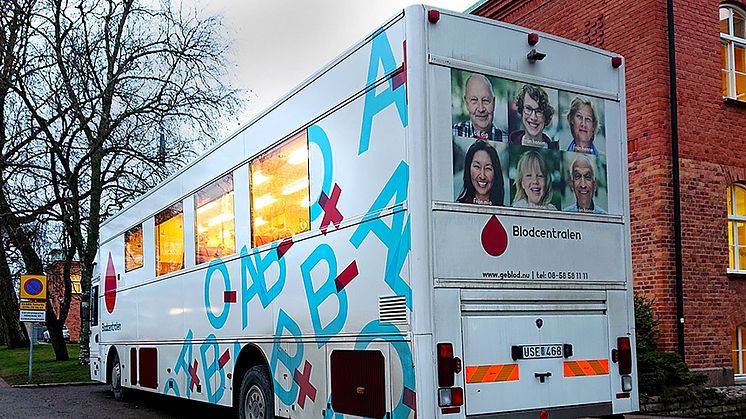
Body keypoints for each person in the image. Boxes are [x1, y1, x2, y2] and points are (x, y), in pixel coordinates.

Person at [452, 74, 508, 141]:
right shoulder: (453, 132)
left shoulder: (505, 139)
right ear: (466, 103)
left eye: (485, 100)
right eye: (474, 100)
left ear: (493, 102)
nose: (481, 109)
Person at [509, 84, 559, 149]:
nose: (533, 117)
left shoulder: (555, 148)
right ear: (521, 110)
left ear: (545, 116)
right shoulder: (510, 143)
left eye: (539, 111)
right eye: (528, 109)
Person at [457, 140, 504, 206]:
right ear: (468, 169)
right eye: (477, 167)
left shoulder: (505, 212)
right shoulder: (458, 208)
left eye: (488, 168)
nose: (482, 176)